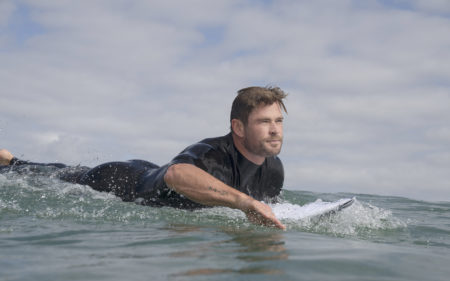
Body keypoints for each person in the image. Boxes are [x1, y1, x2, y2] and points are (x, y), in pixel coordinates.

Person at [0, 86, 287, 229]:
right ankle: (12, 163)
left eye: (279, 121)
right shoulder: (212, 154)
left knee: (66, 171)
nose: (275, 131)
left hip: (148, 170)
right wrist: (244, 202)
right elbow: (176, 175)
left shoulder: (274, 170)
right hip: (118, 181)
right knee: (57, 177)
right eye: (264, 122)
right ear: (238, 127)